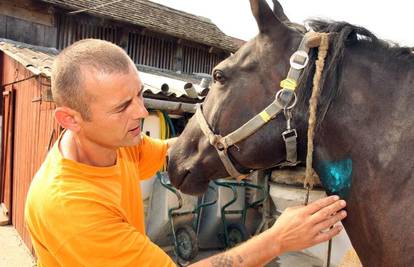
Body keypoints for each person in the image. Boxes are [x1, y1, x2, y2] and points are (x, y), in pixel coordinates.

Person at [25, 39, 347, 267]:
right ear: (71, 119)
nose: (140, 112)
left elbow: (171, 153)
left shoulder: (114, 144)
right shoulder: (69, 206)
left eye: (138, 95)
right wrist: (278, 239)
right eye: (122, 107)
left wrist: (232, 148)